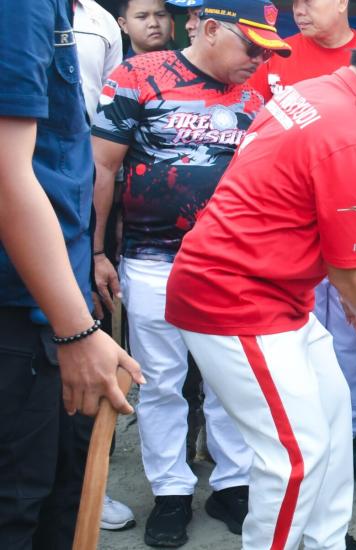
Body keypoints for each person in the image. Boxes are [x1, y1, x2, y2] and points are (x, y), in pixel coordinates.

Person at [164, 9, 356, 549]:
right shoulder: (348, 136)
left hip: (280, 291)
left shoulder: (317, 90)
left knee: (330, 422)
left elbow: (302, 211)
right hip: (233, 297)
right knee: (293, 456)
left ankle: (325, 541)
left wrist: (343, 278)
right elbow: (352, 275)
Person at [91, 0, 291, 544]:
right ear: (210, 29)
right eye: (252, 48)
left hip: (232, 265)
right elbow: (102, 166)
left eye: (267, 52)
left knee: (232, 382)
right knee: (160, 382)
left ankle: (233, 485)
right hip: (152, 260)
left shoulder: (257, 97)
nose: (259, 61)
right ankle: (171, 493)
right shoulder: (137, 75)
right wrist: (97, 252)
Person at [0, 0, 143, 548]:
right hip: (24, 308)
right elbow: (9, 177)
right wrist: (75, 331)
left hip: (53, 292)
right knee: (21, 503)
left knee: (63, 497)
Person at [248, 0, 356, 487]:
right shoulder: (275, 55)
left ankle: (347, 439)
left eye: (310, 0)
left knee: (355, 345)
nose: (299, 10)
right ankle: (303, 448)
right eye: (294, 3)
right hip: (292, 237)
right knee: (296, 346)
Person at [74, 0, 139, 532]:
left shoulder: (96, 19)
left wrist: (99, 248)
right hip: (27, 175)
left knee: (88, 342)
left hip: (73, 193)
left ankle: (85, 484)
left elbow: (104, 137)